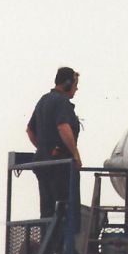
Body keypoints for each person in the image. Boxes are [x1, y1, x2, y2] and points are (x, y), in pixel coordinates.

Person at [26, 67, 83, 223]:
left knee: (48, 212)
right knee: (65, 211)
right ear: (67, 83)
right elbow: (63, 127)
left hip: (43, 163)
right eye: (75, 84)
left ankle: (50, 243)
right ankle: (61, 245)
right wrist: (75, 155)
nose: (76, 88)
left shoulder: (43, 100)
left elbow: (30, 130)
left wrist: (43, 148)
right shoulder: (61, 102)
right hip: (61, 167)